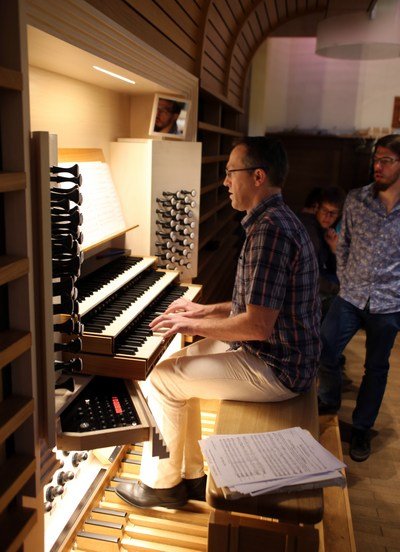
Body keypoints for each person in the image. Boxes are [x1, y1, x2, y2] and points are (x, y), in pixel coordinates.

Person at [115, 136, 321, 509]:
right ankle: (191, 475)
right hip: (277, 352)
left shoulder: (271, 231)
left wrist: (188, 327)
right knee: (171, 368)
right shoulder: (273, 220)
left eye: (230, 172)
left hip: (279, 367)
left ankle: (161, 485)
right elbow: (255, 304)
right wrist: (202, 311)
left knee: (161, 380)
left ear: (257, 177)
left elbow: (256, 326)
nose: (225, 182)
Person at [318, 133, 400, 462]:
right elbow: (345, 243)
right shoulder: (356, 199)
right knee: (325, 347)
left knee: (376, 368)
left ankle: (362, 428)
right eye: (375, 160)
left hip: (389, 302)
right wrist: (344, 278)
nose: (377, 166)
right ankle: (329, 402)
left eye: (386, 160)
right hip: (351, 294)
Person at [299, 187, 346, 319]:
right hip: (302, 293)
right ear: (317, 208)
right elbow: (309, 276)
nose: (328, 217)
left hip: (315, 287)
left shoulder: (323, 230)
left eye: (333, 213)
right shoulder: (310, 231)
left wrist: (333, 249)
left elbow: (332, 269)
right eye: (325, 210)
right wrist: (338, 290)